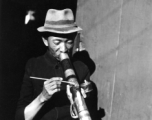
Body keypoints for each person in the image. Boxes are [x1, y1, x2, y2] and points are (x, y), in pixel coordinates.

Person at [15, 8, 93, 120]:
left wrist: (84, 96)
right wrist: (42, 97)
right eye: (57, 42)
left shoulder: (82, 68)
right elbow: (20, 117)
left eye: (69, 42)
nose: (63, 49)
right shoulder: (33, 65)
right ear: (45, 41)